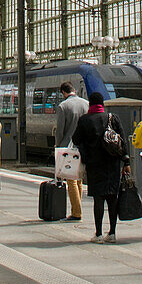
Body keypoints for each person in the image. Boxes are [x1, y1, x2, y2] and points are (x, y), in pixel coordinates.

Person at [72, 92, 130, 243]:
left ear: (90, 104)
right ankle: (112, 233)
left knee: (99, 199)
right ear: (102, 104)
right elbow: (123, 141)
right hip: (112, 164)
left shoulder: (85, 120)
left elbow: (76, 139)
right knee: (112, 198)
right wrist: (127, 162)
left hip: (94, 165)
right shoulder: (112, 118)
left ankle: (98, 234)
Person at [55, 81, 88, 221]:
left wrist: (57, 146)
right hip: (84, 146)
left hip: (68, 148)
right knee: (79, 178)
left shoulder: (63, 106)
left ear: (63, 92)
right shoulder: (86, 104)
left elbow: (60, 131)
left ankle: (76, 212)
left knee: (71, 180)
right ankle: (77, 208)